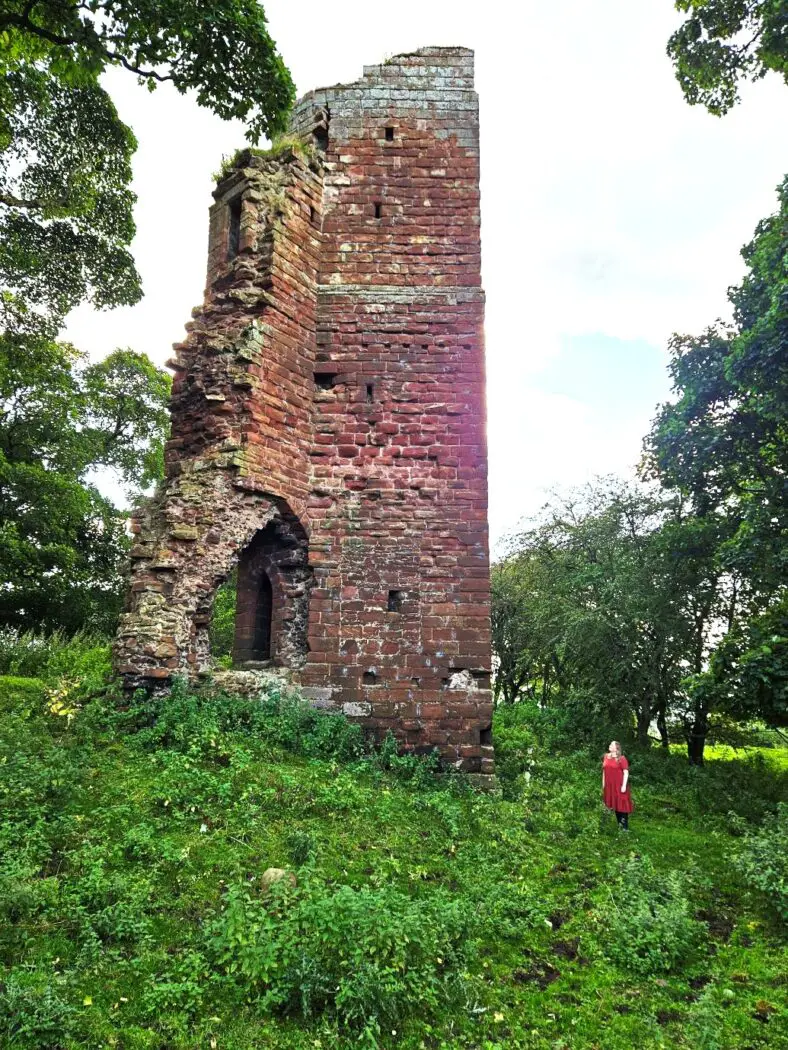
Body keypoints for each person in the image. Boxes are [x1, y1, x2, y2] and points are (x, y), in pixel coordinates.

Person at [602, 740, 633, 830]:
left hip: (619, 786)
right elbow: (604, 771)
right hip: (609, 786)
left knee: (622, 806)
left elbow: (626, 773)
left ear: (616, 748)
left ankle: (624, 828)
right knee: (614, 804)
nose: (610, 745)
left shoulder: (621, 759)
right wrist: (603, 784)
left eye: (612, 744)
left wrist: (623, 786)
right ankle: (618, 825)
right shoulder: (606, 757)